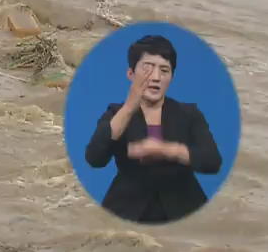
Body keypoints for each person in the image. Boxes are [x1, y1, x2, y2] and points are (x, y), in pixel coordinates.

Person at [84, 34, 222, 224]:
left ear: (171, 76)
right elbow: (95, 158)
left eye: (164, 70)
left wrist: (166, 150)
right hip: (127, 211)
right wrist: (129, 107)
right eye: (148, 69)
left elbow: (212, 161)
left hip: (184, 211)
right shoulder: (116, 113)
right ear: (131, 74)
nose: (156, 77)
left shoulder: (189, 114)